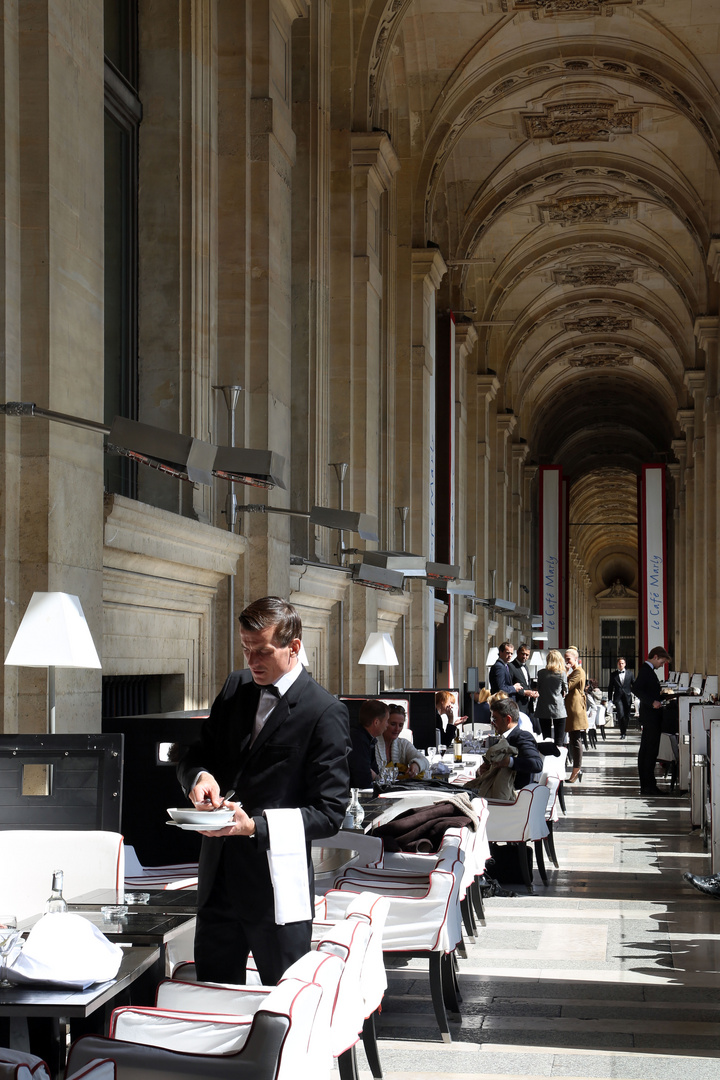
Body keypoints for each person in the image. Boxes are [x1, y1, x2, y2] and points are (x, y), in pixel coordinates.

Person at [176, 596, 351, 986]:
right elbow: (194, 756)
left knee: (286, 1000)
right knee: (214, 995)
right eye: (246, 649)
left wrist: (254, 826)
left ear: (294, 647)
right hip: (218, 877)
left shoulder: (324, 711)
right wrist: (200, 776)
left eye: (263, 651)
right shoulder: (236, 688)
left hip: (276, 884)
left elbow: (329, 812)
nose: (252, 661)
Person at [475, 698, 543, 790]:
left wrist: (509, 762)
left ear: (508, 719)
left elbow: (537, 764)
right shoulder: (499, 739)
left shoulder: (522, 736)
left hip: (513, 797)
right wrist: (482, 771)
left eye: (495, 719)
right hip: (495, 792)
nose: (492, 722)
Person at [632, 645, 672, 796]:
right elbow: (636, 689)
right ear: (655, 657)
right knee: (649, 751)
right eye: (661, 662)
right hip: (650, 716)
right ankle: (648, 786)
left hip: (650, 715)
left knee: (647, 751)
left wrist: (665, 696)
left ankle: (648, 785)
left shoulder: (648, 670)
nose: (661, 665)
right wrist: (652, 702)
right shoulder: (646, 670)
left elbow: (648, 691)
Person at [375, 704, 429, 776]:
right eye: (393, 724)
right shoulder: (373, 743)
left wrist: (417, 765)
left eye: (400, 725)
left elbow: (425, 761)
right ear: (385, 723)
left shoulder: (404, 744)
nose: (397, 729)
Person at [349, 699, 388, 787]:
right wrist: (375, 776)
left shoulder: (367, 738)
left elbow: (374, 772)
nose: (387, 725)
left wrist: (375, 776)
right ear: (376, 722)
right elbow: (363, 779)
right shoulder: (359, 740)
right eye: (386, 721)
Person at [564, 646, 587, 784]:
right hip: (571, 707)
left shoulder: (578, 672)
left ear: (575, 659)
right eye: (565, 659)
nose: (566, 662)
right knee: (573, 739)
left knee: (576, 739)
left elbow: (567, 686)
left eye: (568, 659)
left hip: (575, 708)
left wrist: (565, 671)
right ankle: (575, 769)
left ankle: (576, 769)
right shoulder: (574, 671)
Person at [536, 649, 568, 745]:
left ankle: (548, 758)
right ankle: (558, 758)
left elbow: (539, 688)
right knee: (559, 738)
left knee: (546, 738)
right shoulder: (562, 673)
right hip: (558, 707)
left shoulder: (541, 673)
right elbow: (566, 689)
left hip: (543, 707)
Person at [508, 644, 540, 732]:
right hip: (518, 704)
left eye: (527, 655)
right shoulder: (511, 666)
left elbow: (527, 684)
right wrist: (524, 692)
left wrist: (533, 692)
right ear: (517, 653)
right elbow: (510, 685)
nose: (524, 656)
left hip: (528, 704)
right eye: (523, 654)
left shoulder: (525, 666)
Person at [607, 656, 634, 740]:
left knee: (626, 716)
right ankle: (622, 733)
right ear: (617, 664)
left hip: (627, 697)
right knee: (620, 714)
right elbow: (610, 687)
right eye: (619, 663)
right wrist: (610, 699)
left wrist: (638, 696)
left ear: (625, 664)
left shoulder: (630, 674)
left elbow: (634, 685)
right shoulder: (613, 674)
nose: (621, 665)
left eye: (622, 663)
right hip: (618, 698)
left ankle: (624, 730)